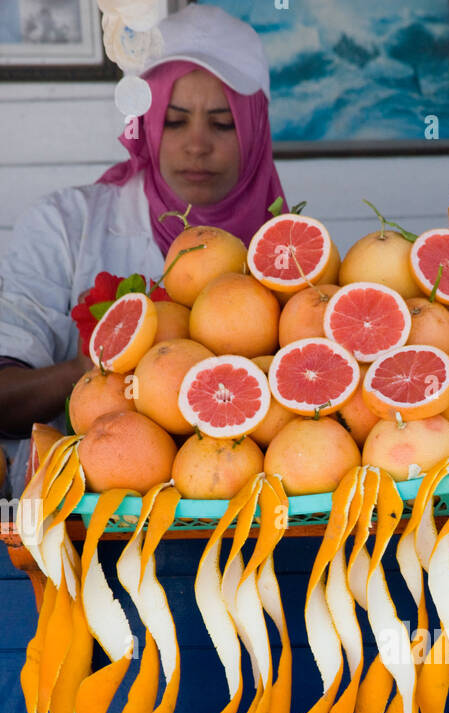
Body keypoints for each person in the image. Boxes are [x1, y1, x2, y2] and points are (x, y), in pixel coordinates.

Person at [0, 4, 284, 494]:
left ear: (255, 131)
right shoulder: (66, 226)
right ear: (147, 126)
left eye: (222, 123)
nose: (197, 145)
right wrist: (89, 370)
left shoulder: (289, 252)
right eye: (175, 121)